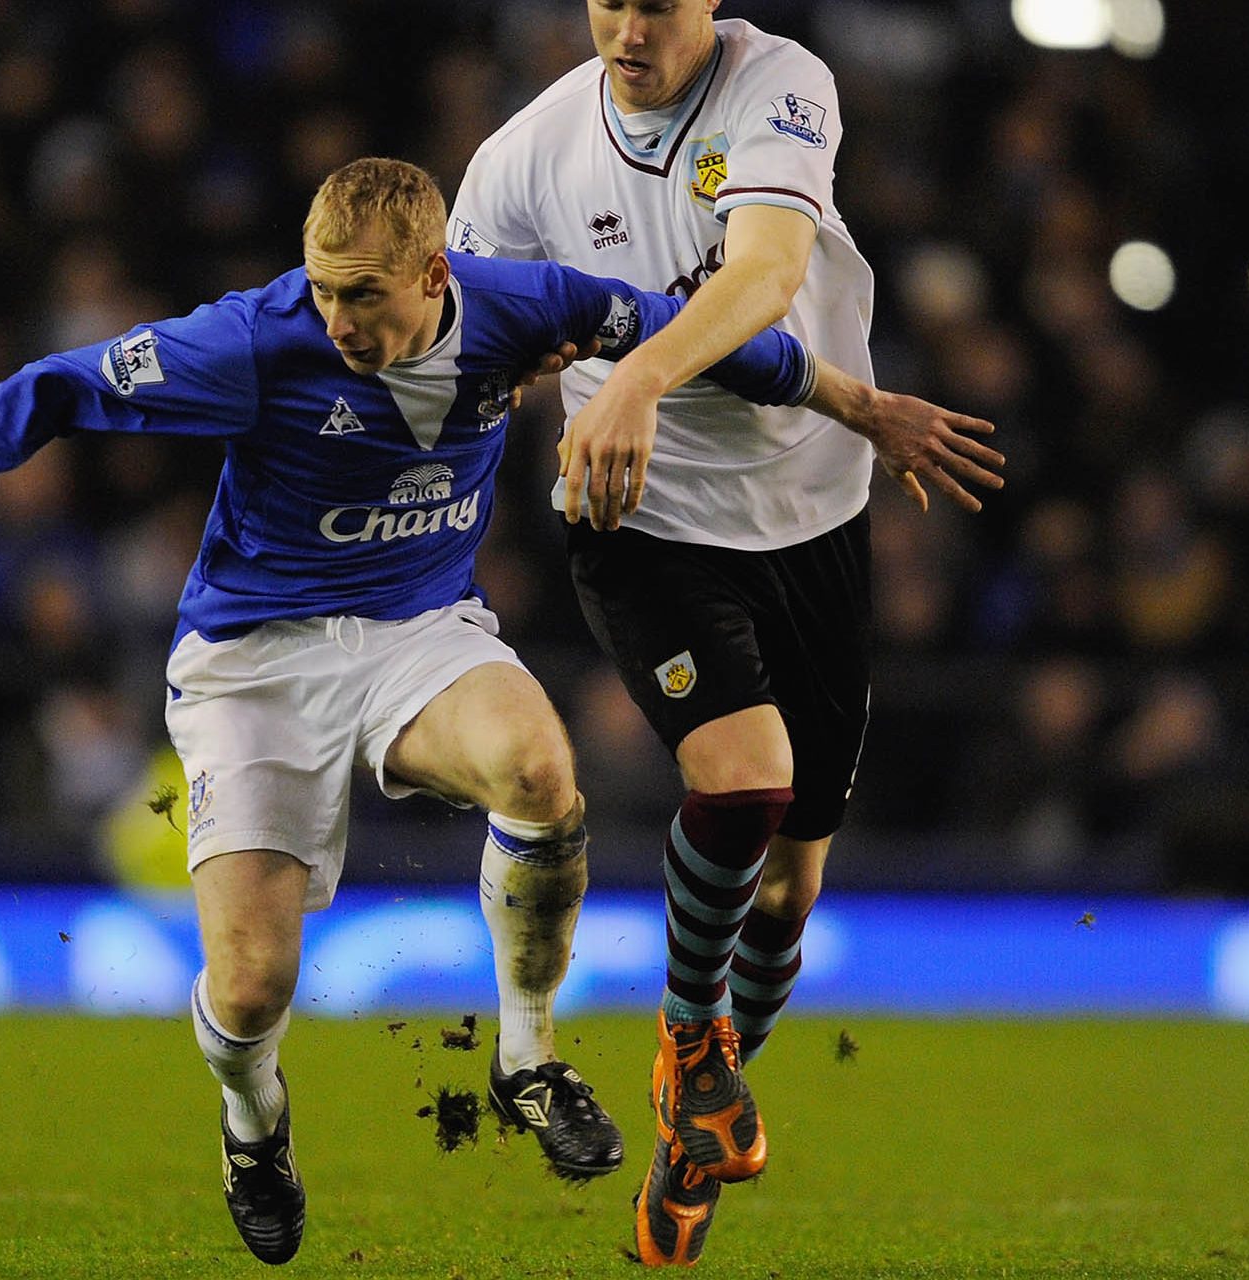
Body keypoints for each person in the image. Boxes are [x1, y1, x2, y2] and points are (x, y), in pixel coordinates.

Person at [0, 156, 861, 1265]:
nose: (338, 317)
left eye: (363, 293)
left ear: (434, 271)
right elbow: (61, 383)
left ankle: (525, 1055)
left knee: (543, 770)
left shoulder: (523, 307)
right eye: (323, 289)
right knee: (254, 983)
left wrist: (857, 404)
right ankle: (254, 1122)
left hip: (418, 628)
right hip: (254, 660)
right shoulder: (255, 342)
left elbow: (696, 329)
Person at [451, 2, 1005, 1266]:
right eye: (609, 2)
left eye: (659, 3)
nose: (630, 27)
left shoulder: (780, 85)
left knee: (794, 887)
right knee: (745, 776)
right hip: (642, 520)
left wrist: (637, 369)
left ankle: (687, 1120)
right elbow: (473, 340)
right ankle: (687, 1038)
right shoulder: (523, 159)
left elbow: (764, 272)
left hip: (810, 517)